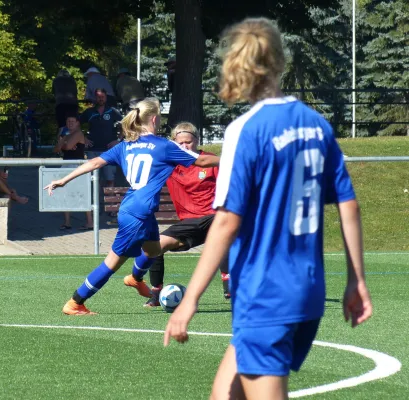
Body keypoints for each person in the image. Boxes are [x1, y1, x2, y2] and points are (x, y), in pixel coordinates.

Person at [163, 18, 373, 400]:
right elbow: (348, 203)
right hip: (306, 289)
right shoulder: (316, 125)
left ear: (235, 67)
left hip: (266, 291)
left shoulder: (247, 130)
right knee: (224, 395)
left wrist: (189, 299)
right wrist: (356, 280)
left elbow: (226, 221)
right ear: (280, 60)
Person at [43, 98, 220, 315]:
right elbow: (201, 161)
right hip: (138, 214)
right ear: (154, 119)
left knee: (154, 250)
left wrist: (64, 179)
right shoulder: (163, 146)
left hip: (135, 208)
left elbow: (94, 162)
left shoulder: (125, 146)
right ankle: (75, 302)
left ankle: (135, 278)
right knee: (112, 262)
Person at [129, 122, 230, 307]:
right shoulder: (169, 164)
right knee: (154, 246)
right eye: (181, 143)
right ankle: (156, 294)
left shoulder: (210, 160)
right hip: (190, 226)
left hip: (214, 218)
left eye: (189, 142)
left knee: (221, 231)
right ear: (174, 143)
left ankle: (230, 287)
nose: (185, 146)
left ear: (197, 141)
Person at [52, 115, 93, 230]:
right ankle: (67, 222)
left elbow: (67, 147)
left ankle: (90, 222)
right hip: (66, 165)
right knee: (64, 192)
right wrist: (63, 143)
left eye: (72, 121)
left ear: (77, 123)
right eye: (68, 121)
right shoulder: (67, 135)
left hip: (77, 165)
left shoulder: (78, 133)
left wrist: (63, 142)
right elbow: (56, 149)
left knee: (82, 193)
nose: (70, 123)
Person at [80, 88, 123, 189]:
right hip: (92, 149)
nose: (100, 99)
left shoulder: (112, 111)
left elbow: (125, 125)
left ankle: (110, 202)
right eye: (98, 97)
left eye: (102, 97)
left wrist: (118, 140)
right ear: (95, 98)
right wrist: (83, 138)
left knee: (110, 179)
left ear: (106, 98)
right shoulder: (89, 112)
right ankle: (96, 203)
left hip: (109, 151)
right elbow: (75, 124)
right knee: (93, 179)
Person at [53, 69, 79, 135]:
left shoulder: (56, 80)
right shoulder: (72, 80)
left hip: (60, 103)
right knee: (72, 123)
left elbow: (53, 92)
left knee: (62, 124)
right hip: (73, 104)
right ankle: (72, 140)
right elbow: (76, 92)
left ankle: (61, 139)